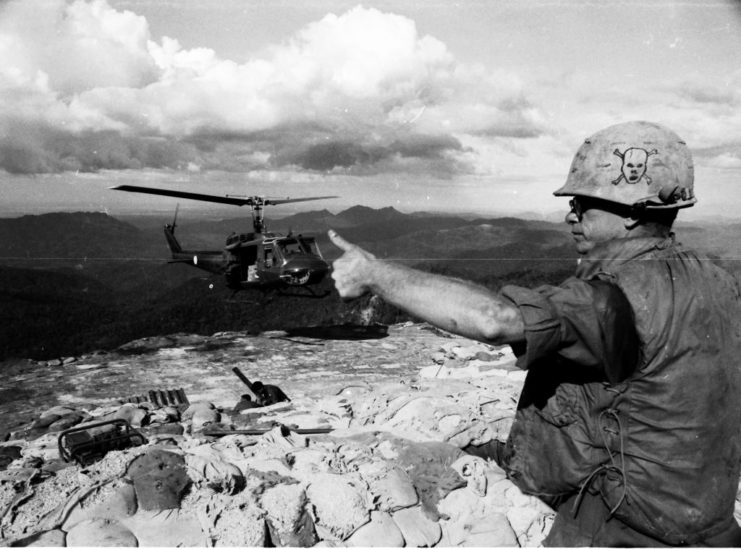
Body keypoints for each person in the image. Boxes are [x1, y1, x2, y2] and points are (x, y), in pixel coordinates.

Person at [328, 120, 741, 546]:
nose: (571, 215)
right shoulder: (719, 282)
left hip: (624, 530)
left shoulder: (611, 300)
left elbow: (493, 320)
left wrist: (374, 274)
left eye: (584, 204)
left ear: (634, 214)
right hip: (710, 522)